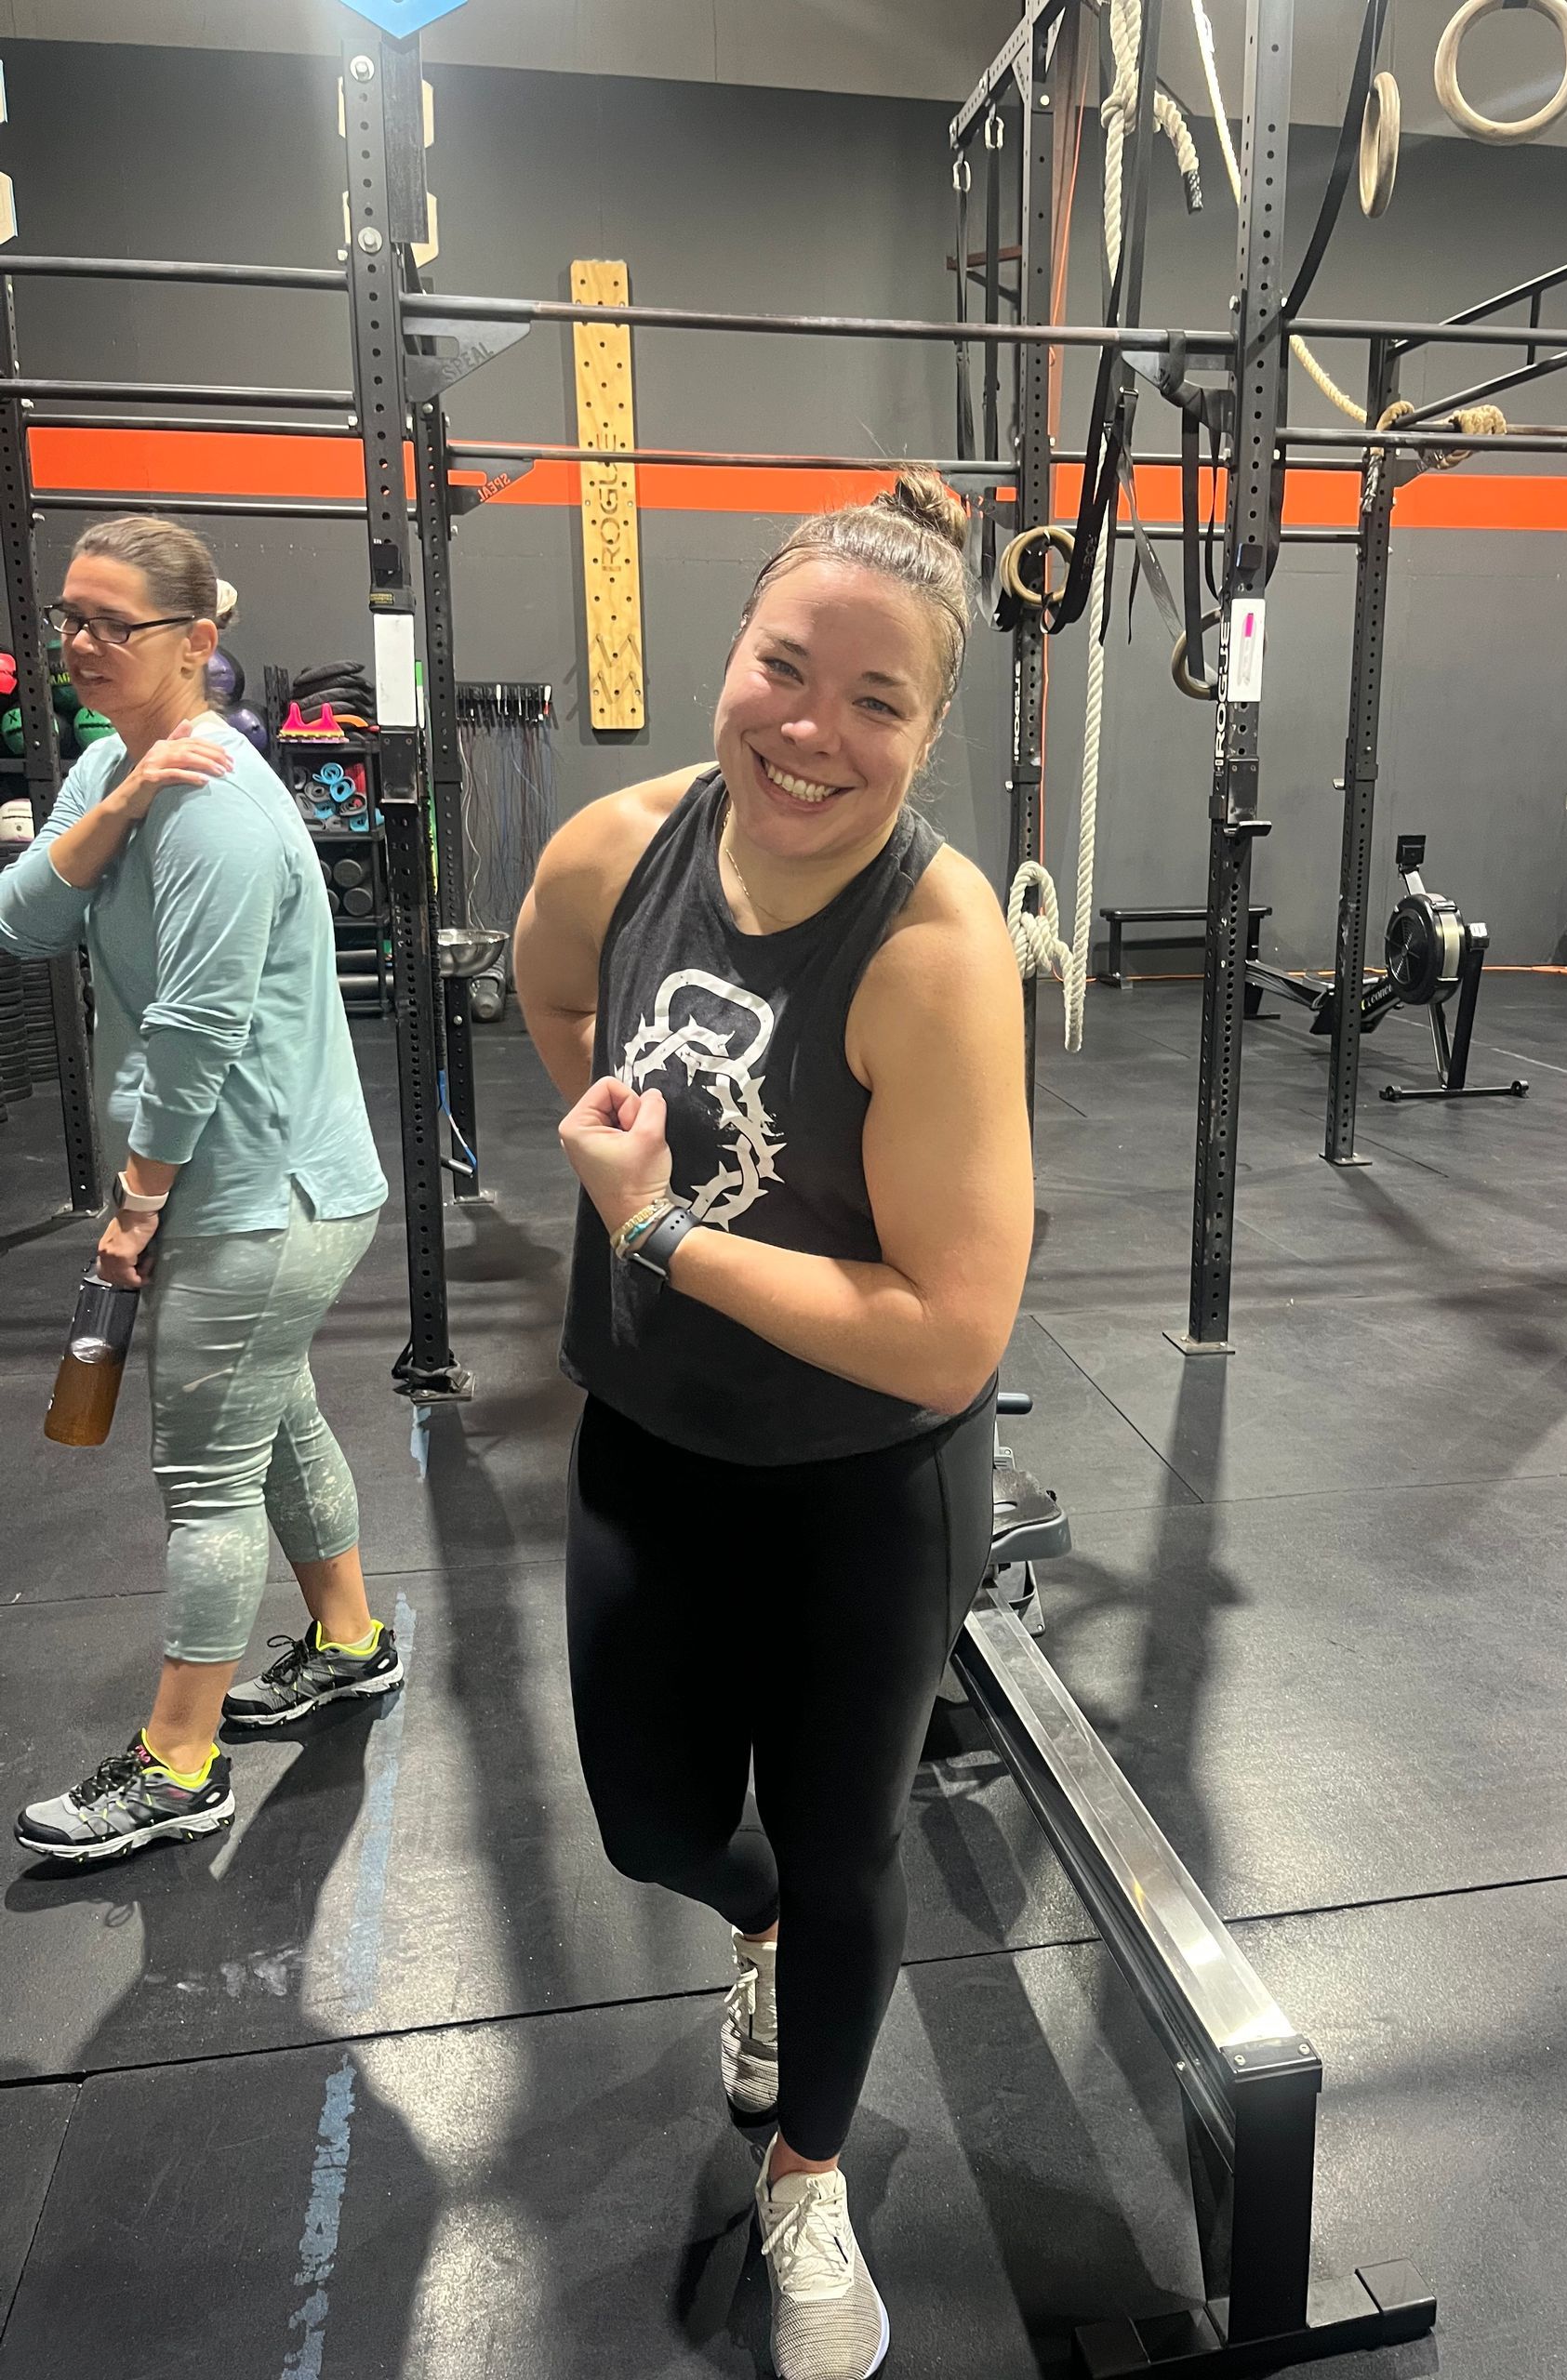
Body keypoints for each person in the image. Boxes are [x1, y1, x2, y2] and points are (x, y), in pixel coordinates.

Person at [514, 469, 1032, 2380]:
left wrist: (655, 1222)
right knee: (658, 1824)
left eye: (875, 700)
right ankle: (746, 1936)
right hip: (651, 1433)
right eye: (784, 665)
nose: (811, 726)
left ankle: (807, 2167)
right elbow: (551, 986)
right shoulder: (617, 848)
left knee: (841, 1848)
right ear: (728, 654)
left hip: (858, 1484)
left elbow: (947, 1330)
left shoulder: (935, 951)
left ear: (929, 729)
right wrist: (631, 1159)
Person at [2, 516, 396, 1869]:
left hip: (262, 1192)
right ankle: (349, 1641)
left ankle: (180, 1762)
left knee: (205, 1476)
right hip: (229, 1184)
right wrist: (110, 804)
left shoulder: (222, 806)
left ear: (198, 641)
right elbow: (21, 918)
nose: (85, 646)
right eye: (72, 619)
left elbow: (196, 1028)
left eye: (119, 624)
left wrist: (132, 1207)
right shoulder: (114, 765)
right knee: (266, 1414)